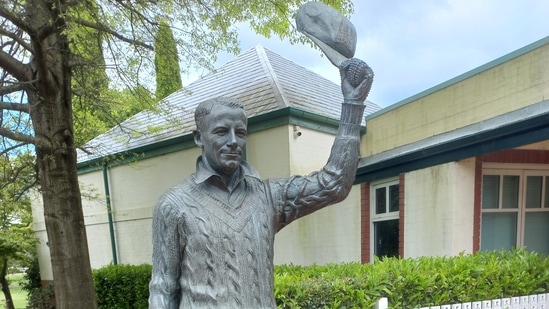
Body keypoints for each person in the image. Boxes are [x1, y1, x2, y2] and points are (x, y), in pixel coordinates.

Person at [149, 59, 373, 308]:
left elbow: (334, 184)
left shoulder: (269, 197)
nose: (234, 141)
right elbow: (163, 288)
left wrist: (353, 106)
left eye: (241, 133)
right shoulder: (174, 205)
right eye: (221, 131)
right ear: (198, 138)